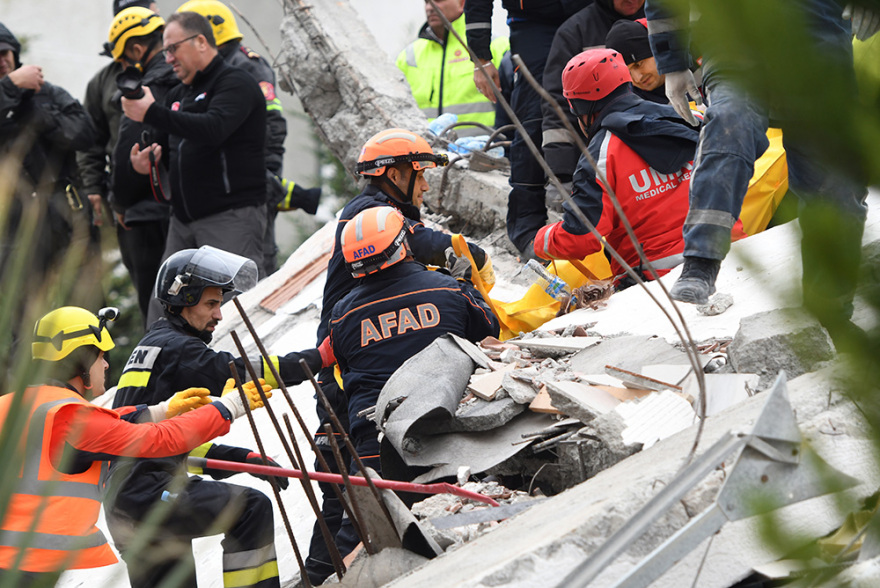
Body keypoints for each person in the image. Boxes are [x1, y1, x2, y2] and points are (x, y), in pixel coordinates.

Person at [304, 128, 495, 585]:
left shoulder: (373, 214)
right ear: (394, 174)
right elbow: (438, 247)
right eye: (420, 173)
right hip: (349, 376)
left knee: (344, 496)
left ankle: (320, 576)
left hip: (347, 366)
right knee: (355, 505)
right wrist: (469, 263)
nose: (427, 186)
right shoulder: (375, 216)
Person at [645, 1, 875, 345]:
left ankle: (830, 315)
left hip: (818, 53)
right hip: (737, 48)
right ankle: (701, 261)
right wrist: (672, 62)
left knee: (836, 188)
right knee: (729, 125)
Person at [105, 245, 333, 587]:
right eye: (211, 304)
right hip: (149, 493)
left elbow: (166, 443)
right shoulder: (180, 350)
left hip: (129, 501)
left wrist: (242, 458)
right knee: (250, 508)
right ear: (185, 299)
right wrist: (315, 359)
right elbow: (240, 371)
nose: (219, 315)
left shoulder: (154, 345)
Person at [0, 305, 269, 587]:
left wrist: (160, 410)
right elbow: (160, 440)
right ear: (81, 360)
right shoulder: (67, 418)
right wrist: (227, 407)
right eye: (100, 356)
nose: (105, 365)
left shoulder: (19, 406)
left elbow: (105, 427)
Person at [328, 206, 500, 556]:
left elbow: (345, 368)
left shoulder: (341, 314)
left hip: (372, 442)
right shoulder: (446, 288)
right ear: (403, 243)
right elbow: (489, 330)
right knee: (466, 524)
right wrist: (466, 283)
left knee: (364, 539)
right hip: (441, 433)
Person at [534, 48, 702, 287]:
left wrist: (542, 239)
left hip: (656, 280)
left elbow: (581, 237)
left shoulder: (600, 157)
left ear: (581, 110)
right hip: (732, 252)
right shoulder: (689, 117)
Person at [177, 0, 322, 276]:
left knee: (251, 271)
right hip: (218, 196)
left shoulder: (247, 67)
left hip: (250, 191)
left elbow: (272, 125)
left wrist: (265, 178)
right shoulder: (208, 71)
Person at [120, 11, 269, 274]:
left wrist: (151, 112)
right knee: (166, 308)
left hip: (229, 218)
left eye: (173, 49)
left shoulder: (236, 82)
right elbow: (170, 146)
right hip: (181, 221)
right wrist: (148, 163)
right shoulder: (179, 92)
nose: (168, 59)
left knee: (232, 308)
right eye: (165, 51)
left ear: (201, 41)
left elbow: (213, 129)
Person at [465, 0, 592, 259]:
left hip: (592, 12)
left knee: (603, 104)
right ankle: (528, 230)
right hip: (533, 23)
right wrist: (480, 58)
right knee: (535, 118)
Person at [0, 22, 97, 301]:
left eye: (5, 52)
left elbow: (85, 133)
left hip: (62, 210)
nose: (3, 60)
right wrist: (9, 88)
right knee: (22, 309)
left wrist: (40, 116)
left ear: (15, 53)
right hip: (13, 225)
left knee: (84, 302)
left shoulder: (46, 92)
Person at [102, 6, 177, 327]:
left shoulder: (147, 87)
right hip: (177, 212)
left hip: (147, 217)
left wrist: (119, 202)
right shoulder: (186, 80)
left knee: (157, 311)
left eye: (122, 61)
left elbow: (127, 154)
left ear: (136, 49)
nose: (122, 69)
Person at [541, 0, 646, 210]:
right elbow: (558, 107)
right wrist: (561, 174)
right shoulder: (575, 32)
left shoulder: (665, 24)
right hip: (599, 167)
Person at [396, 0, 509, 136]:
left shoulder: (495, 47)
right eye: (426, 2)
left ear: (462, 4)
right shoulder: (408, 56)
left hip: (485, 151)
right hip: (426, 153)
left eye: (438, 0)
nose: (430, 8)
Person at [605, 18, 667, 103]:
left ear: (657, 51)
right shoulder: (628, 107)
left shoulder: (690, 76)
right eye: (627, 73)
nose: (638, 78)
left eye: (639, 64)